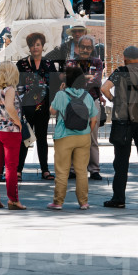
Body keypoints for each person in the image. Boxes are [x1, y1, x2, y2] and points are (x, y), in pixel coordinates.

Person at [101, 45, 138, 208]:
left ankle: (119, 198)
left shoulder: (120, 71)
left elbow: (104, 88)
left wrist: (114, 100)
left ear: (125, 58)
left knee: (121, 161)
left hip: (124, 121)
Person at [47, 64, 99, 210]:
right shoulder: (87, 96)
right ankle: (83, 202)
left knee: (62, 171)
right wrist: (87, 133)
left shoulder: (61, 95)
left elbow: (52, 111)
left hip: (64, 136)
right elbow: (93, 119)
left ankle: (58, 202)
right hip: (83, 137)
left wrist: (60, 91)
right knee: (82, 171)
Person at [16, 33, 58, 180]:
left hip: (43, 107)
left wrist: (53, 104)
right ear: (29, 47)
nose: (35, 47)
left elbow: (54, 85)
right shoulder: (21, 64)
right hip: (26, 107)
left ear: (43, 46)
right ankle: (18, 170)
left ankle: (45, 170)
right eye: (33, 45)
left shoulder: (49, 64)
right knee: (25, 138)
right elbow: (17, 86)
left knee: (42, 138)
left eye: (38, 44)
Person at [64, 35, 105, 180]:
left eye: (89, 47)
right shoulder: (71, 62)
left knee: (92, 137)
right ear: (78, 47)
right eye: (83, 47)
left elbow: (97, 81)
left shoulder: (97, 62)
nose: (86, 50)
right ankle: (73, 169)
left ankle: (94, 169)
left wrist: (81, 79)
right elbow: (70, 82)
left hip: (92, 101)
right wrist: (87, 77)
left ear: (92, 48)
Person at [0, 63, 26, 210]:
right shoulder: (10, 89)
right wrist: (18, 122)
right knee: (11, 166)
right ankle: (13, 199)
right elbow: (10, 107)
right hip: (10, 131)